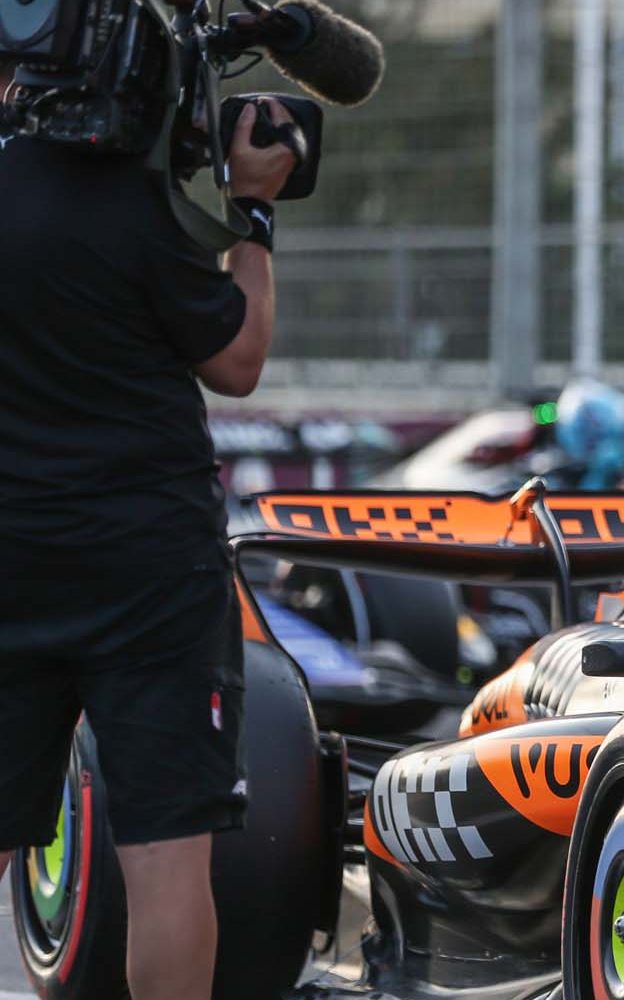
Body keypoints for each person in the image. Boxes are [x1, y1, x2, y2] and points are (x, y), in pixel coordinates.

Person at [0, 55, 297, 1000]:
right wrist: (252, 212)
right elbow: (239, 357)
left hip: (10, 555)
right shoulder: (136, 207)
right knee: (165, 861)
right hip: (150, 572)